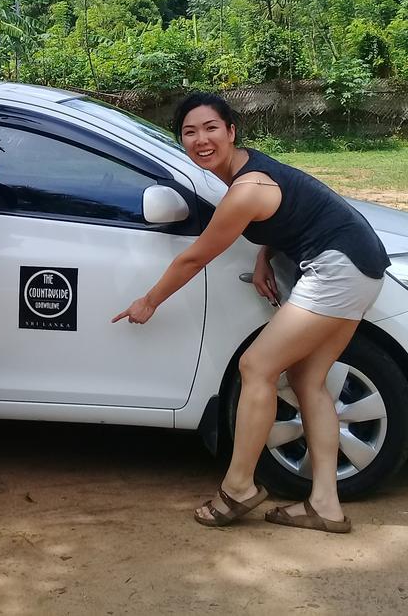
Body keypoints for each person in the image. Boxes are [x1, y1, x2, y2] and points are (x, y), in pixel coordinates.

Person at [113, 93, 389, 534]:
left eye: (210, 129)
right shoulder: (249, 173)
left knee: (256, 367)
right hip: (361, 267)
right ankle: (325, 505)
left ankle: (238, 487)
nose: (201, 139)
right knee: (308, 380)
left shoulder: (245, 190)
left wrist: (148, 301)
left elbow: (194, 258)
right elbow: (295, 213)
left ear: (231, 131)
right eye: (189, 132)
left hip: (338, 271)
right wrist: (266, 254)